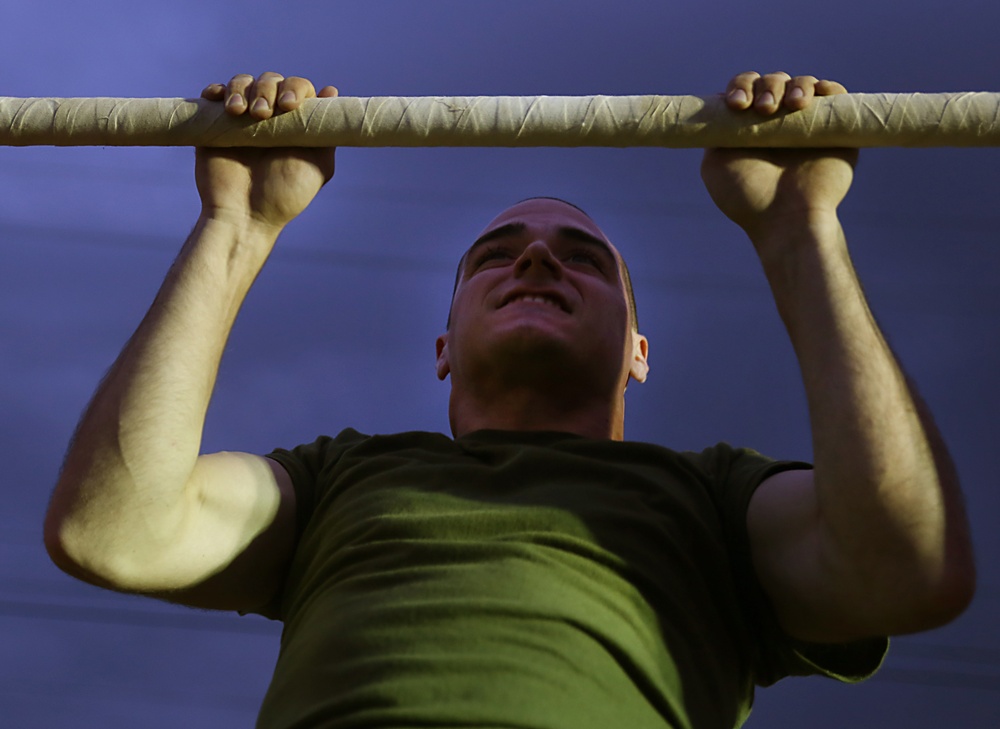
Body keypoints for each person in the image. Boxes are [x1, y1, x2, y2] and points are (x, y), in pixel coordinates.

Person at [43, 71, 976, 729]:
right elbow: (110, 528)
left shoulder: (714, 499)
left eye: (583, 258)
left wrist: (799, 228)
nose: (534, 256)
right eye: (496, 255)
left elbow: (907, 566)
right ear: (443, 346)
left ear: (639, 351)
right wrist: (236, 226)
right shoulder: (338, 480)